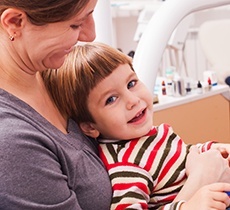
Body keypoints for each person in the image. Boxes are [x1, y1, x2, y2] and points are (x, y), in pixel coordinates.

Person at [43, 42, 230, 210]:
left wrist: (214, 150)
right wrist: (186, 207)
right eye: (111, 99)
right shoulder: (127, 164)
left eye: (131, 83)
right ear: (90, 126)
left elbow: (181, 161)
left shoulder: (150, 136)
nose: (132, 100)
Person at [0, 1, 113, 210]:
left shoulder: (56, 76)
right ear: (14, 22)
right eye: (75, 25)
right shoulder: (11, 141)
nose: (90, 35)